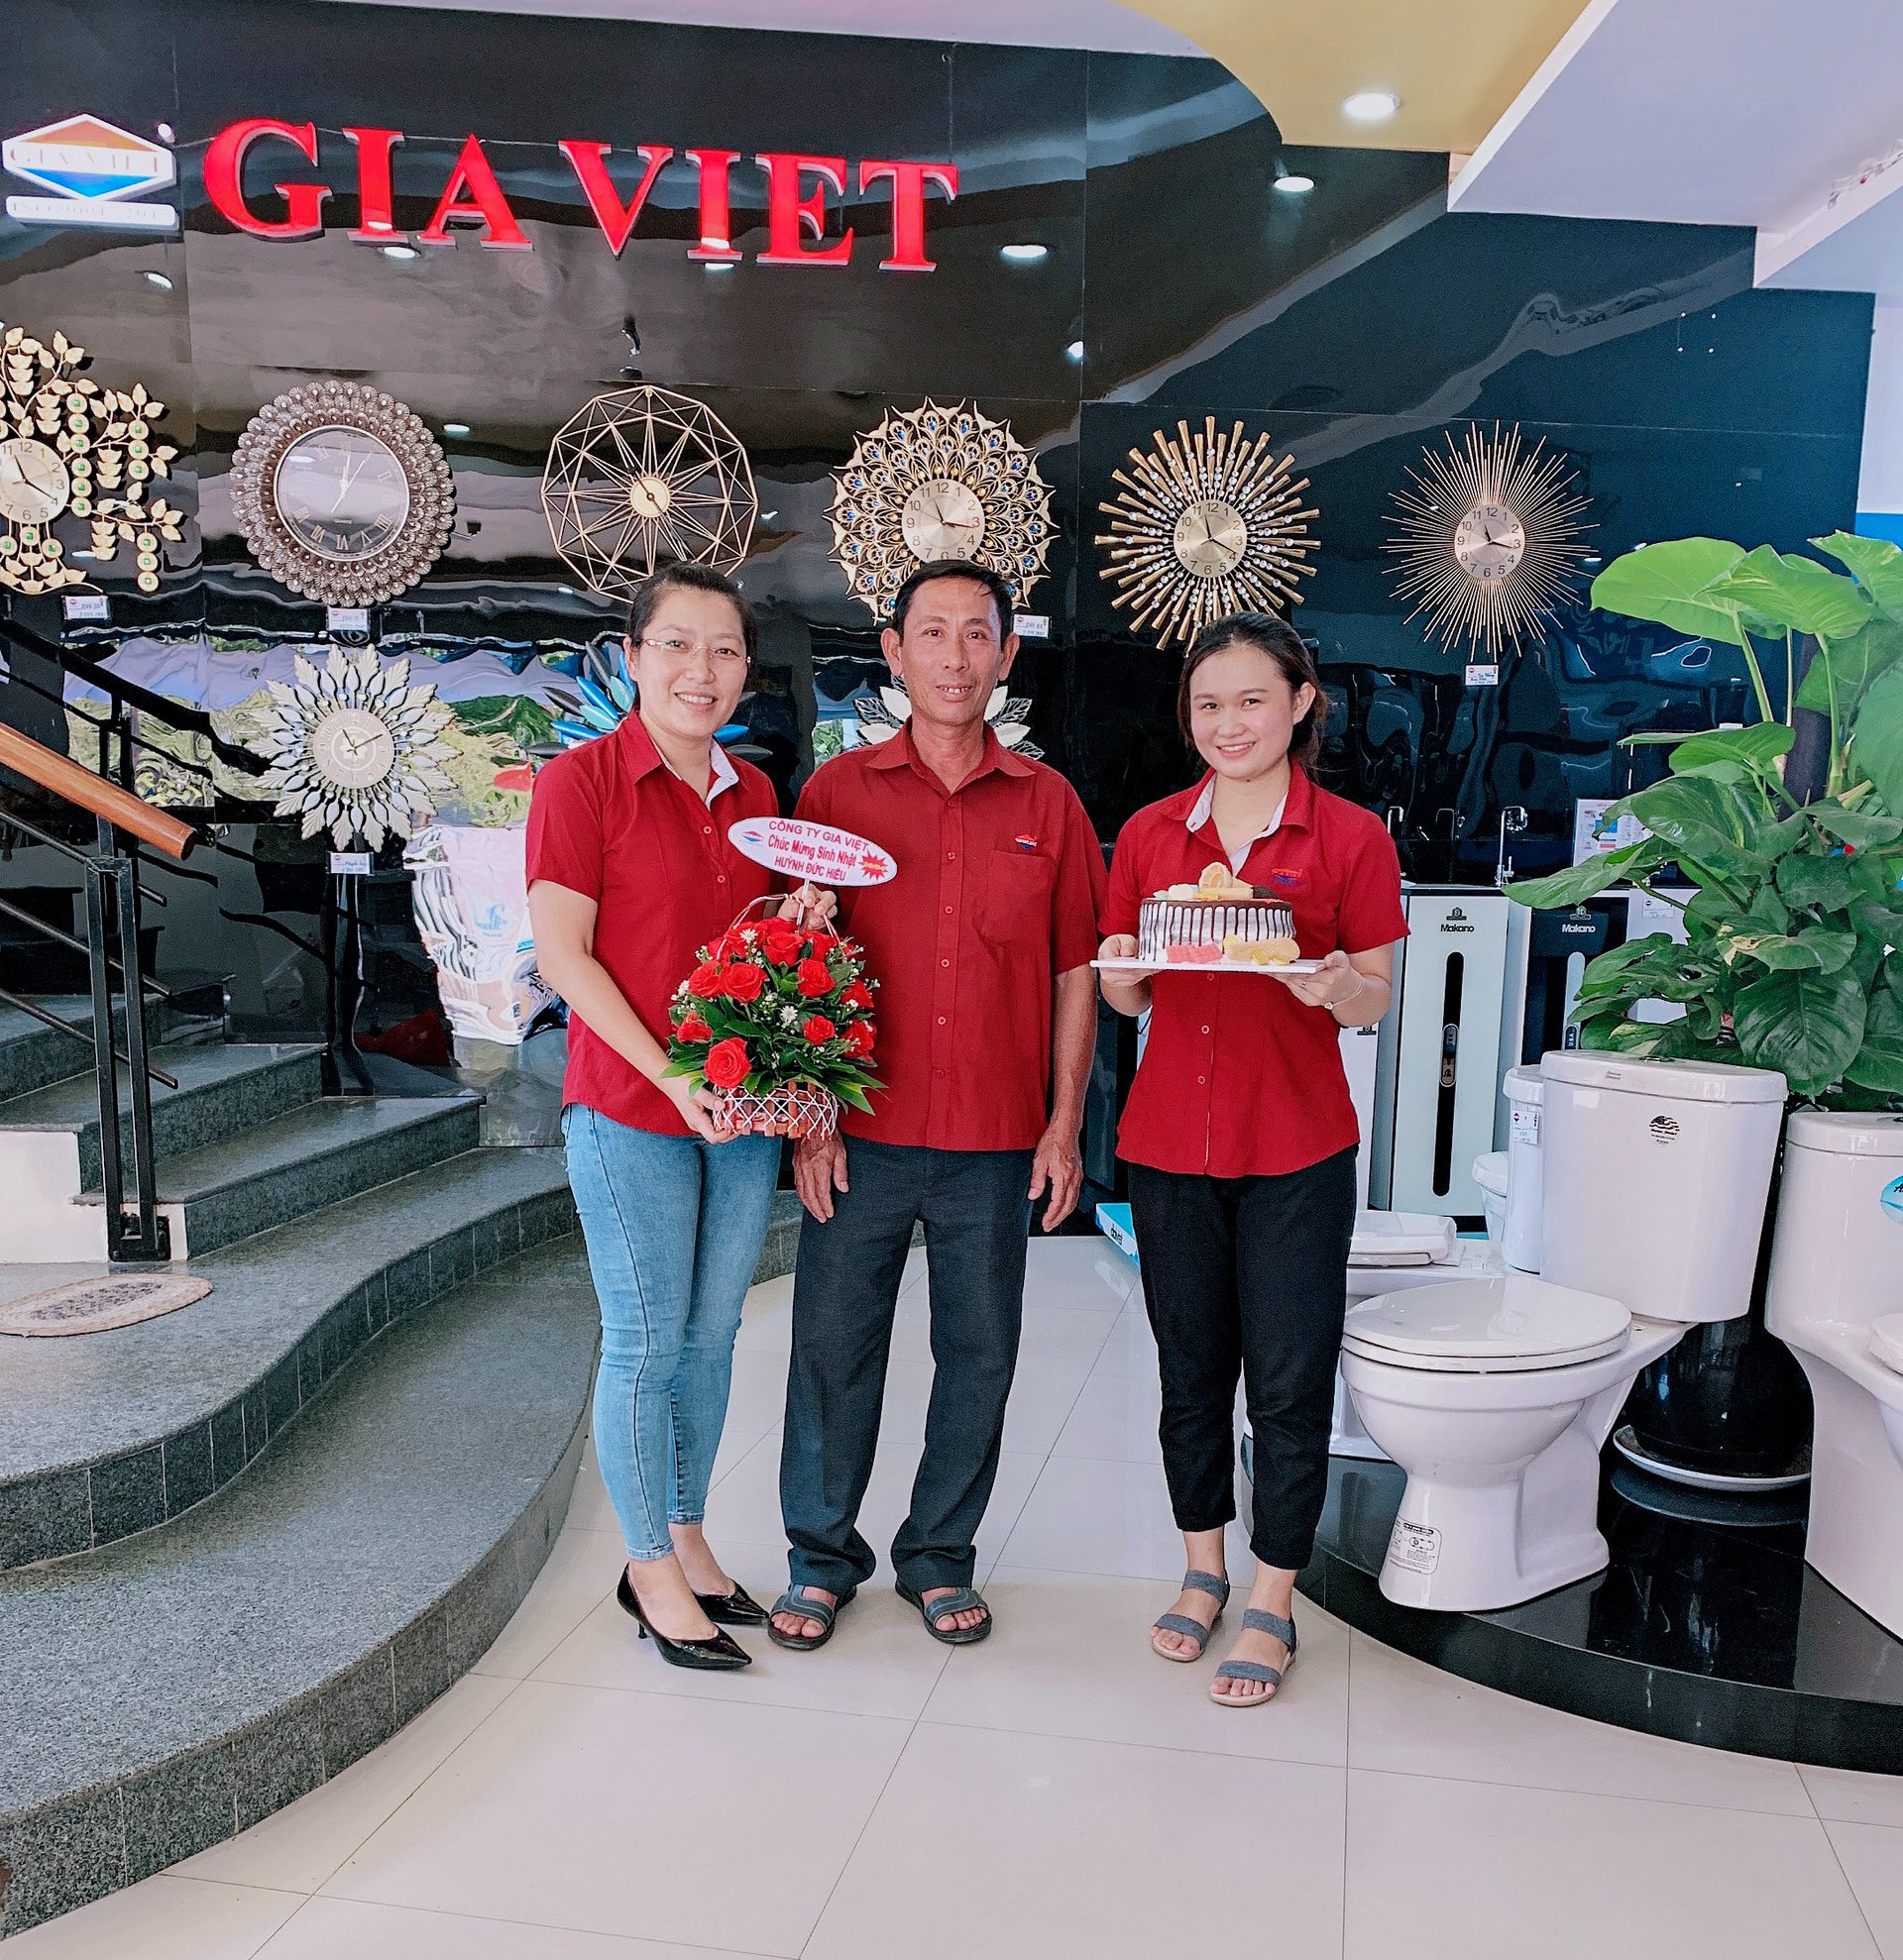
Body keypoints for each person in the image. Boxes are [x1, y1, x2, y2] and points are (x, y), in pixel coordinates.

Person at [768, 559, 1105, 1651]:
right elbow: (799, 967)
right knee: (833, 1347)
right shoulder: (836, 794)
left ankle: (939, 1555)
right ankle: (821, 1558)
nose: (955, 657)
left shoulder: (1049, 804)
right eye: (933, 632)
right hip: (858, 1135)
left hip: (995, 1141)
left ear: (1006, 656)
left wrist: (1064, 1125)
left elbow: (1075, 973)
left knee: (980, 1353)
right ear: (895, 651)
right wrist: (811, 1120)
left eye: (977, 635)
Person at [1097, 612, 1404, 1707]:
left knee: (1287, 1377)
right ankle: (1202, 1567)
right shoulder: (1149, 836)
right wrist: (1120, 975)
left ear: (1301, 702)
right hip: (1170, 1143)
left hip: (1297, 1144)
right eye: (1208, 705)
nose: (1228, 724)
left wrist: (1335, 984)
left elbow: (1374, 997)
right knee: (1189, 1372)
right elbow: (1126, 992)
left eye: (1251, 701)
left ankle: (1273, 1595)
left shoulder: (1350, 838)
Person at [527, 562, 805, 1674]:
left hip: (735, 1113)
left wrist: (800, 920)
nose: (703, 669)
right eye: (678, 644)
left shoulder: (757, 796)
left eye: (725, 649)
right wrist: (670, 1074)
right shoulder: (581, 783)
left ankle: (687, 1533)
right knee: (645, 1341)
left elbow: (756, 957)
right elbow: (565, 957)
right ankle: (645, 1564)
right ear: (635, 656)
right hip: (629, 1106)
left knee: (713, 1333)